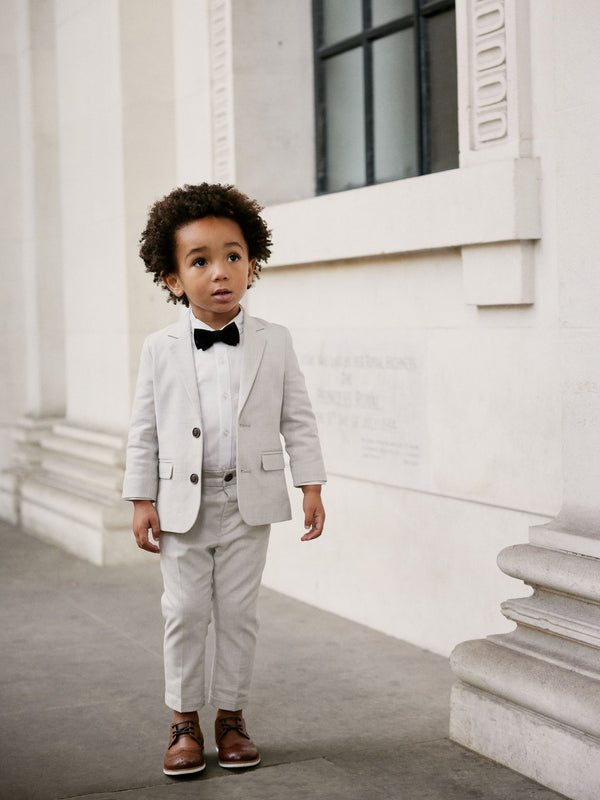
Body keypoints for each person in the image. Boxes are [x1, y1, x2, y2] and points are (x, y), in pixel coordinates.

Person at [122, 183, 326, 777]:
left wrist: (310, 484)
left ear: (253, 264)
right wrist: (141, 499)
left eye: (233, 256)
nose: (220, 272)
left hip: (250, 498)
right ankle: (183, 717)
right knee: (184, 610)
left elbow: (299, 417)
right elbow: (144, 429)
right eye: (200, 260)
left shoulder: (274, 340)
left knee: (238, 612)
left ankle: (230, 715)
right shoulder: (158, 349)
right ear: (171, 278)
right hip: (183, 499)